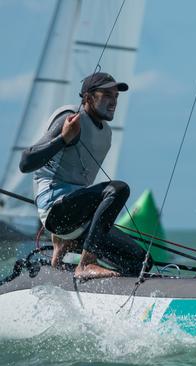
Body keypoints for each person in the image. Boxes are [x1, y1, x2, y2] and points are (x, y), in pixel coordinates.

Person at [19, 72, 148, 279]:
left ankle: (99, 290)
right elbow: (26, 163)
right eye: (106, 94)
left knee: (140, 261)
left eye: (115, 96)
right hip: (56, 211)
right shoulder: (70, 118)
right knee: (118, 189)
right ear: (88, 98)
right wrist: (63, 138)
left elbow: (78, 182)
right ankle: (86, 263)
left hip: (77, 218)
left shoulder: (106, 133)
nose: (113, 101)